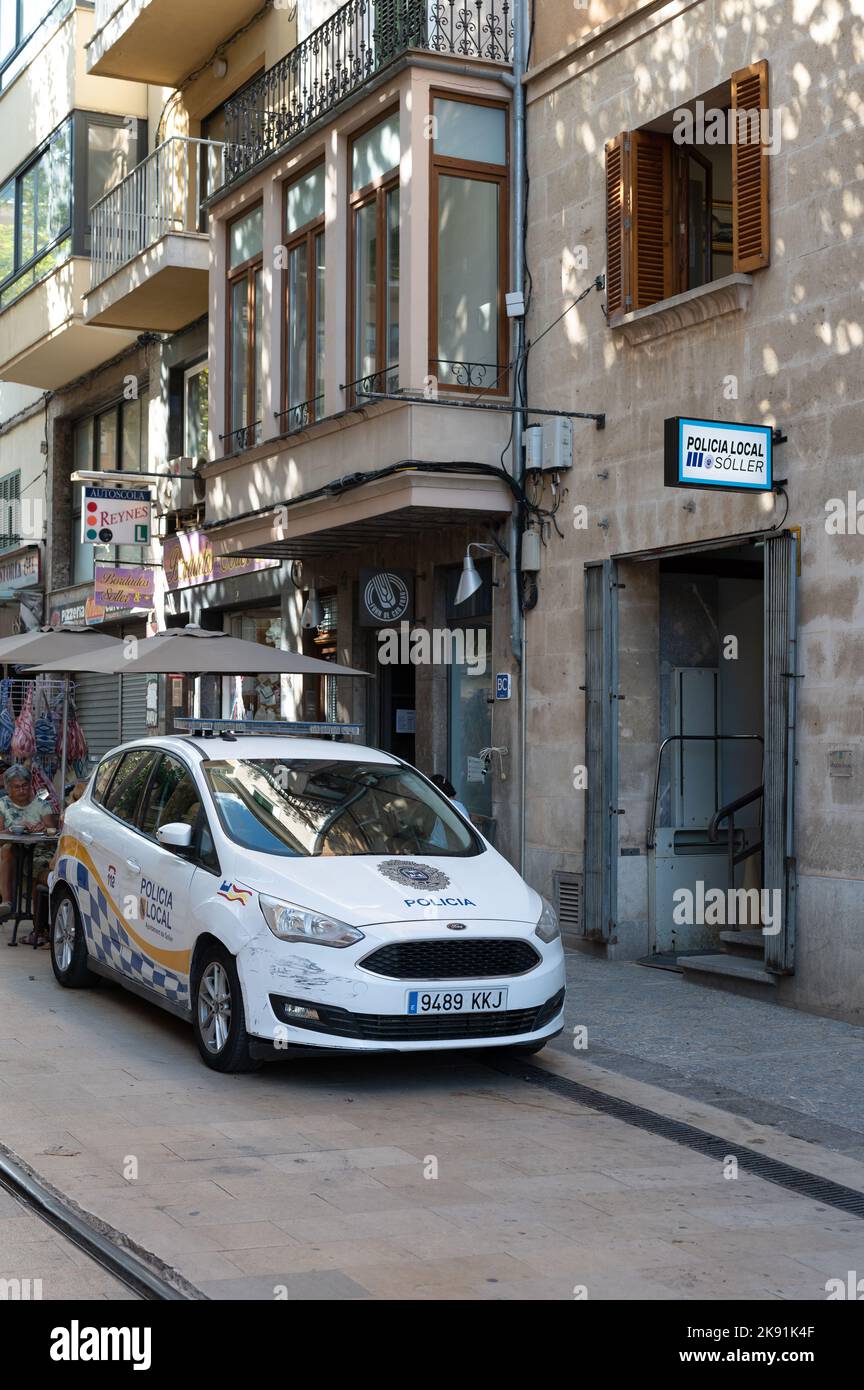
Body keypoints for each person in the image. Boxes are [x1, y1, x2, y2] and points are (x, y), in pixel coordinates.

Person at [0, 765, 56, 926]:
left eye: (25, 785)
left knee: (38, 867)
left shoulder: (42, 805)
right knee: (7, 849)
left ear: (30, 785)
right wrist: (11, 830)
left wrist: (43, 828)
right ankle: (7, 903)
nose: (22, 790)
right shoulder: (2, 804)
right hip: (12, 850)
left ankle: (37, 926)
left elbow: (52, 832)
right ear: (8, 788)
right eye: (17, 787)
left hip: (38, 850)